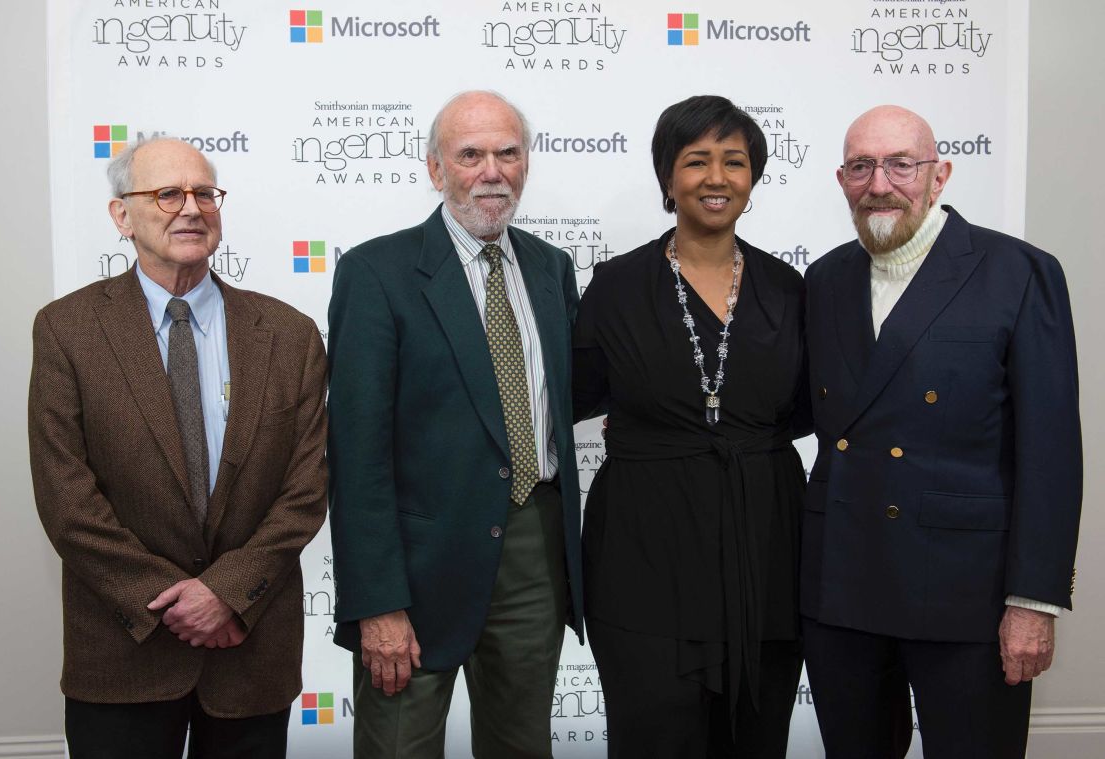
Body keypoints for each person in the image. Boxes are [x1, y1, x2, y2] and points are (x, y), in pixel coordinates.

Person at [28, 136, 329, 758]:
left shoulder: (290, 335)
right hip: (121, 652)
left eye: (204, 193)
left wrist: (224, 593)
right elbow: (67, 500)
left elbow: (305, 491)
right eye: (167, 193)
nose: (191, 209)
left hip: (249, 649)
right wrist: (169, 602)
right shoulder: (67, 329)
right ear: (121, 215)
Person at [801, 105, 1082, 758]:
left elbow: (1050, 453)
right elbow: (796, 404)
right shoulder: (825, 279)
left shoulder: (1017, 273)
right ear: (841, 178)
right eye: (862, 166)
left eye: (901, 164)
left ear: (940, 175)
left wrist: (1034, 599)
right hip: (842, 584)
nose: (879, 183)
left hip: (968, 595)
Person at [327, 90, 582, 758]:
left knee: (522, 746)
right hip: (415, 573)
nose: (490, 171)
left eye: (507, 152)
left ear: (526, 163)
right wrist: (376, 602)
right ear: (436, 169)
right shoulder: (376, 272)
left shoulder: (553, 269)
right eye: (469, 154)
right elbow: (357, 454)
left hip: (534, 554)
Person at [572, 95, 808, 758]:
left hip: (766, 557)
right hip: (643, 557)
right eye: (697, 160)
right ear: (667, 177)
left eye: (734, 162)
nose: (716, 177)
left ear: (753, 178)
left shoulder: (790, 290)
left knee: (756, 742)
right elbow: (569, 399)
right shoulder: (614, 288)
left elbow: (806, 407)